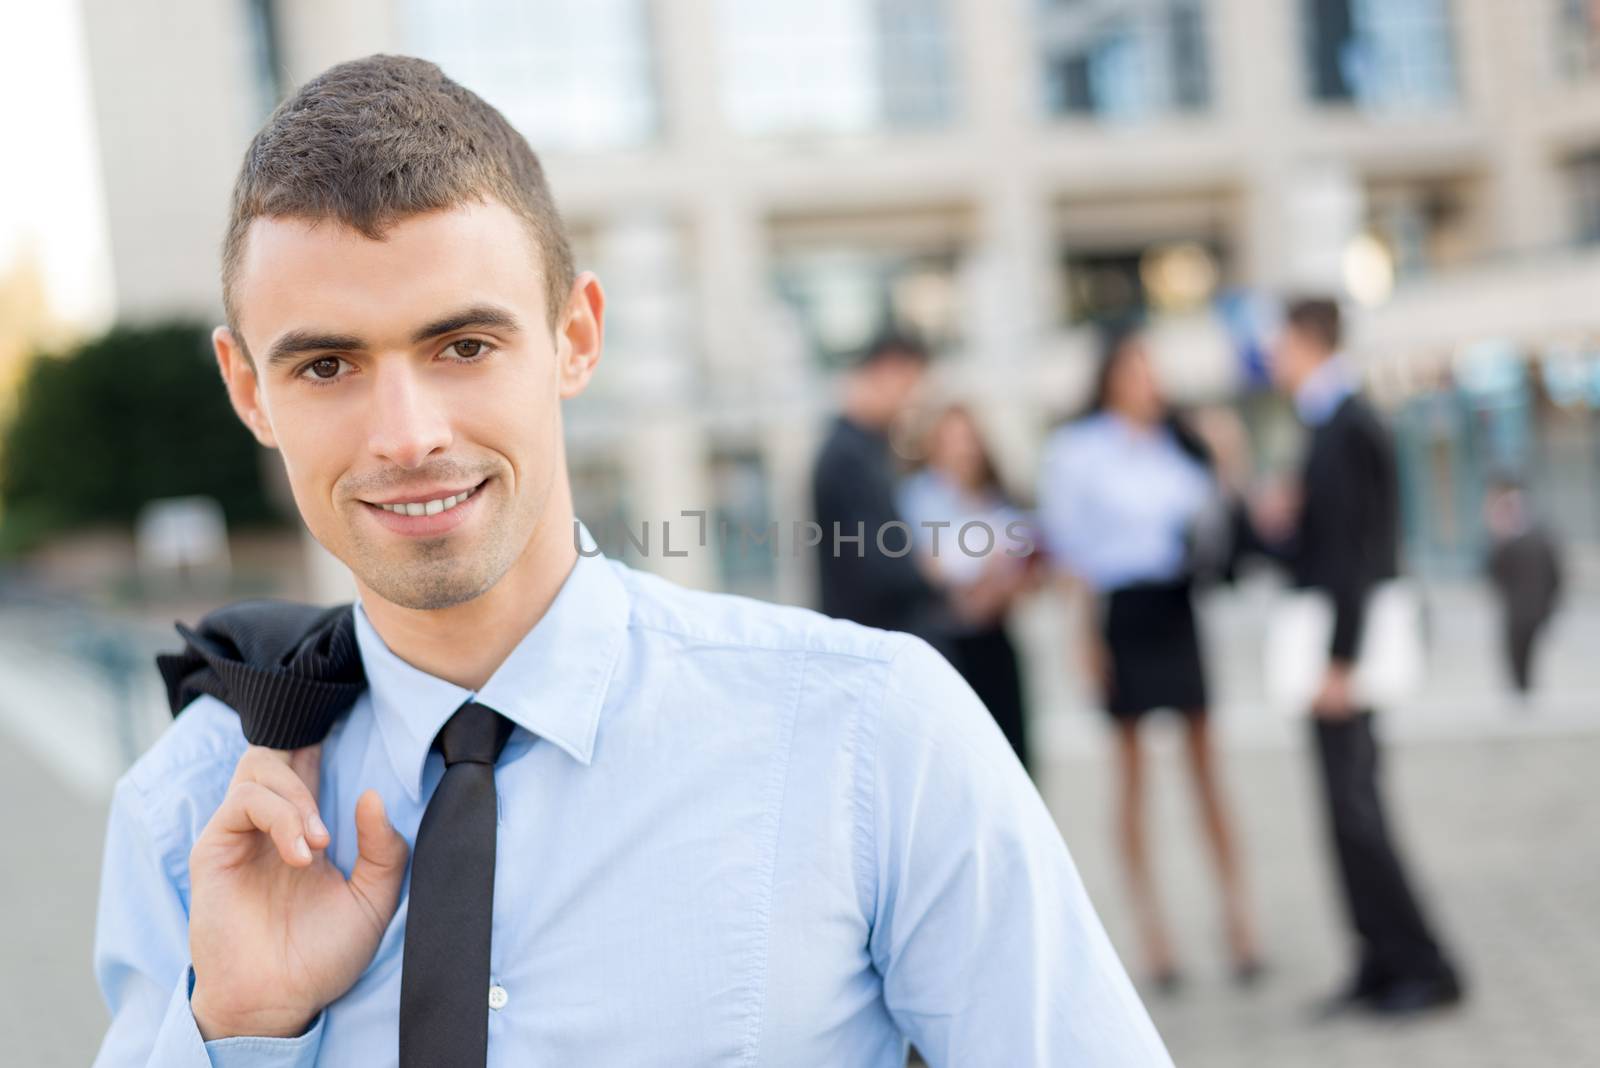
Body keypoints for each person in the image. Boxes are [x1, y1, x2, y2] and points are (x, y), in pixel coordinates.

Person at [89, 56, 1173, 1066]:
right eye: (327, 364)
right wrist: (236, 1032)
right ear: (247, 390)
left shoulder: (871, 734)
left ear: (576, 336)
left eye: (463, 346)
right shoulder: (188, 814)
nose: (405, 433)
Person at [1037, 324, 1260, 992]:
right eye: (1135, 370)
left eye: (1152, 371)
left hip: (1176, 607)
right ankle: (1153, 934)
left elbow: (1219, 529)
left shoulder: (1179, 445)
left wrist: (1228, 458)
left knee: (1205, 768)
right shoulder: (1077, 451)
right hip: (1121, 613)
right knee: (1131, 777)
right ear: (1109, 378)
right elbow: (1069, 554)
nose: (1148, 383)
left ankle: (1238, 920)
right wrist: (1081, 640)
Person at [1262, 296, 1463, 1017]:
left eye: (1278, 339)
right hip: (1339, 642)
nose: (1271, 355)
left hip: (1344, 650)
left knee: (1356, 809)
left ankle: (1420, 964)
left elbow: (1354, 550)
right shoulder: (1332, 420)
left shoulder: (1344, 423)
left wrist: (1339, 660)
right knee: (1347, 809)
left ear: (1305, 338)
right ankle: (1380, 958)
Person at [897, 404, 1040, 774]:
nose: (962, 450)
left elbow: (1026, 569)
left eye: (968, 440)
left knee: (1012, 759)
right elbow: (926, 568)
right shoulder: (916, 498)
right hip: (946, 646)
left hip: (994, 640)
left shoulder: (997, 498)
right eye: (952, 440)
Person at [810, 334, 952, 654]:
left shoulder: (866, 449)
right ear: (887, 372)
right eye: (910, 386)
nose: (912, 401)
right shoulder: (847, 456)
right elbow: (874, 564)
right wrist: (933, 571)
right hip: (874, 643)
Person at [1483, 476, 1564, 696]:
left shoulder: (1517, 541)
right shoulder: (1538, 539)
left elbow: (1493, 574)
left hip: (1523, 610)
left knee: (1520, 655)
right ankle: (1524, 691)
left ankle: (1523, 691)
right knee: (1521, 656)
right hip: (1530, 608)